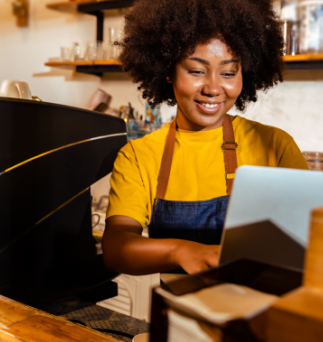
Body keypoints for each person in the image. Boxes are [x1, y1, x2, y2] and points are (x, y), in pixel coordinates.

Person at [102, 0, 308, 276]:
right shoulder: (139, 156)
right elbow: (117, 247)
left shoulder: (275, 145)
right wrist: (182, 252)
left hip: (259, 311)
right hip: (176, 313)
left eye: (228, 73)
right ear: (167, 71)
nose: (213, 88)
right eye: (197, 71)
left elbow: (310, 238)